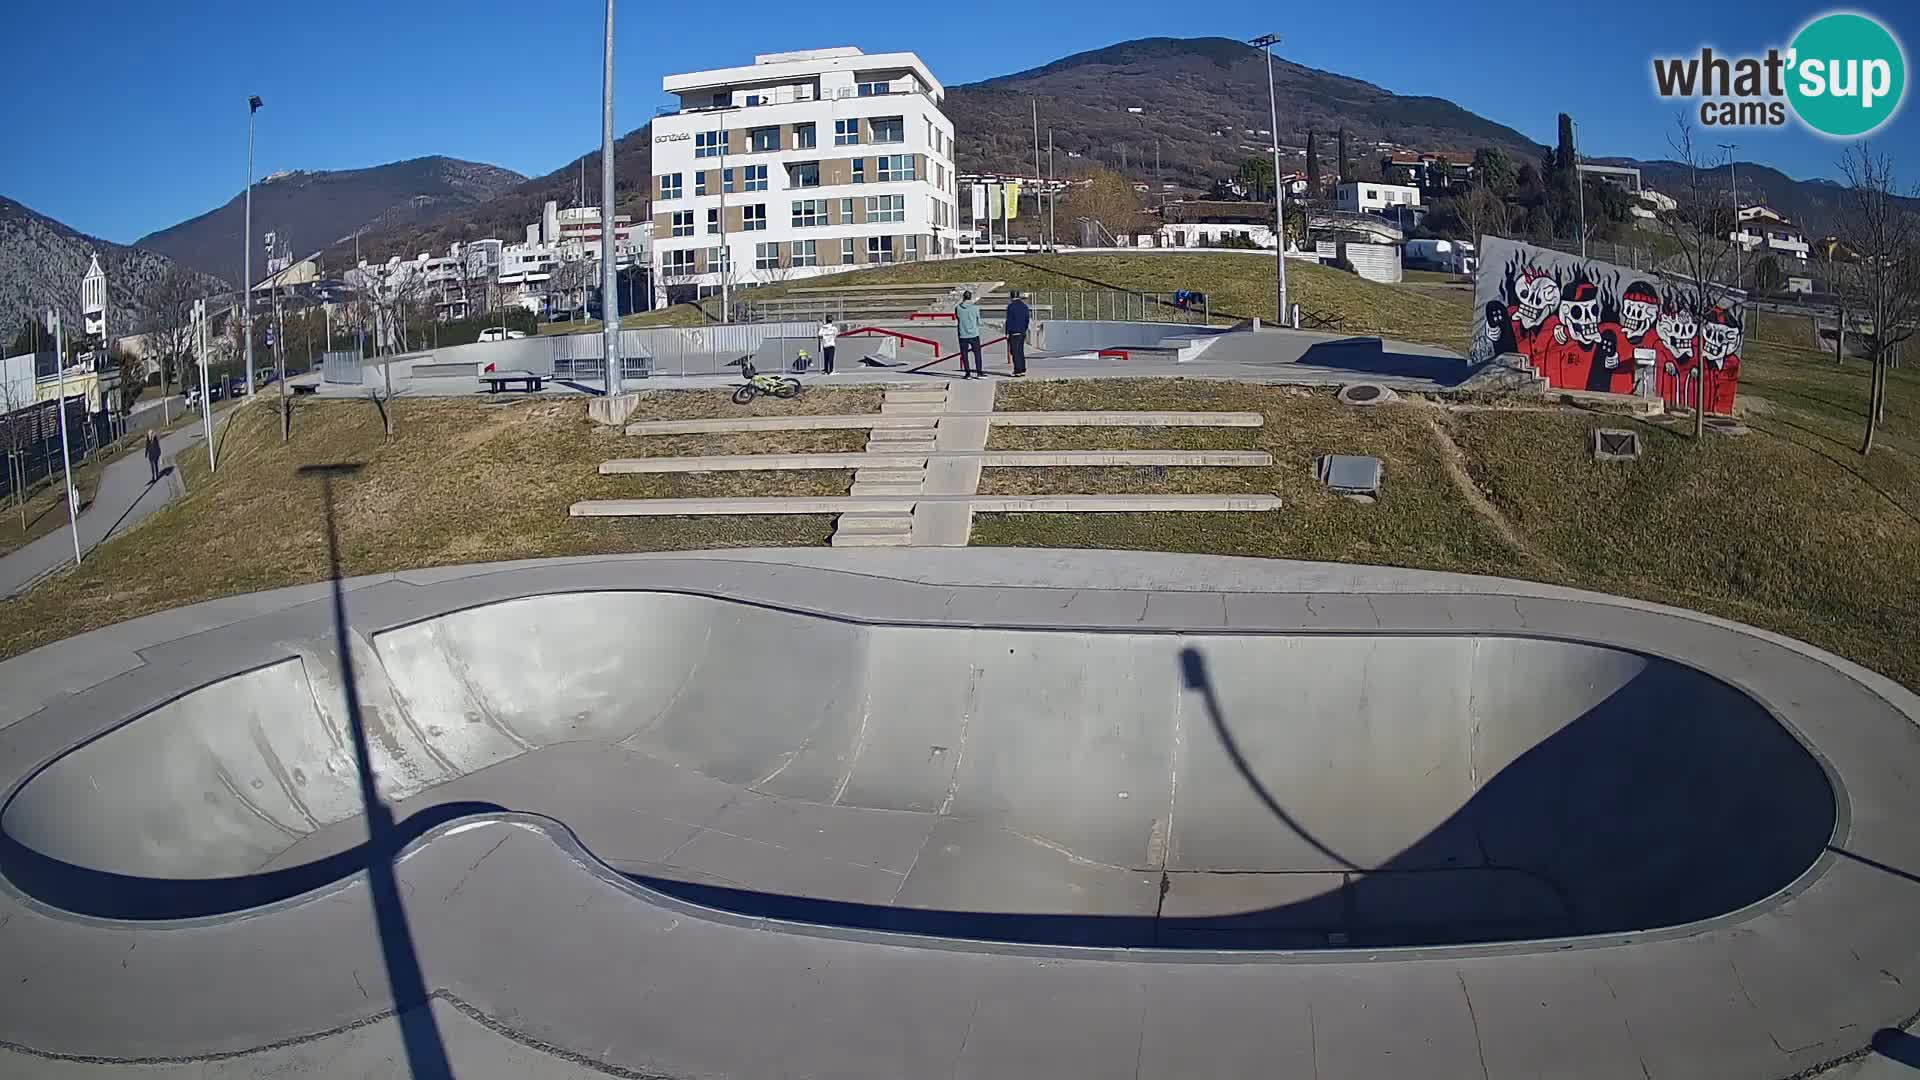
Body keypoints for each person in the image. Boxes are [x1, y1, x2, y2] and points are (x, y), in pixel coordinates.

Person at [954, 290, 984, 378]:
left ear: (963, 297)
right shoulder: (975, 308)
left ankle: (967, 373)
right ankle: (979, 372)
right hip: (974, 333)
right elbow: (978, 320)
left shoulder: (958, 308)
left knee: (964, 354)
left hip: (962, 333)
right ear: (970, 297)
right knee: (977, 354)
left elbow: (957, 317)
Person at [1005, 290, 1031, 377]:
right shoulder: (1024, 306)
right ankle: (1023, 369)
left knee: (1014, 352)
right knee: (1020, 351)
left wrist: (1007, 332)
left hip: (1014, 332)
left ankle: (1017, 370)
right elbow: (1027, 319)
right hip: (1022, 331)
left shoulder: (1010, 307)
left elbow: (1009, 321)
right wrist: (1024, 328)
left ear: (1011, 297)